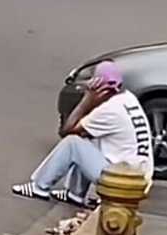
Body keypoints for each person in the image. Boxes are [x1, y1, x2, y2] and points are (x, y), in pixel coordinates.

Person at [10, 61, 154, 207]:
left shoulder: (108, 110)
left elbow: (67, 130)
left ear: (100, 89)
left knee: (72, 143)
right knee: (87, 137)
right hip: (138, 180)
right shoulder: (128, 98)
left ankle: (39, 187)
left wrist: (87, 99)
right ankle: (75, 194)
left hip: (122, 183)